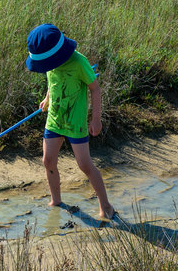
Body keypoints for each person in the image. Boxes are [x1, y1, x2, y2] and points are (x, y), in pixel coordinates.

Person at [26, 23, 115, 219]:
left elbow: (95, 88)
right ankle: (56, 200)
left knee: (84, 165)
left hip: (76, 123)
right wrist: (47, 98)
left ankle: (106, 206)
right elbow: (52, 81)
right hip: (55, 119)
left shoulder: (78, 62)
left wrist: (96, 119)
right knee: (48, 161)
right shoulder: (51, 63)